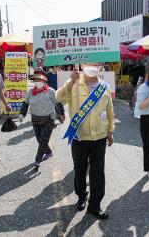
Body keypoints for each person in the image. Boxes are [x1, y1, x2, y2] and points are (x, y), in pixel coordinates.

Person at [56, 64, 114, 220]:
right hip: (79, 136)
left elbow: (110, 110)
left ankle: (95, 205)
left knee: (98, 172)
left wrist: (110, 131)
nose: (93, 67)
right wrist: (70, 83)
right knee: (80, 169)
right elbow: (59, 98)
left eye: (97, 64)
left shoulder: (104, 86)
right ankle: (82, 195)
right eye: (90, 64)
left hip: (99, 137)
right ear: (83, 66)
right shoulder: (74, 82)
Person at [19, 70, 64, 169]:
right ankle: (48, 152)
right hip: (35, 118)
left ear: (44, 81)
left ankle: (37, 160)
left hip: (49, 118)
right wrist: (22, 113)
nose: (37, 82)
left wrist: (61, 114)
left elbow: (58, 103)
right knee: (39, 139)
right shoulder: (31, 91)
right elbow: (25, 103)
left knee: (44, 139)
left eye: (39, 80)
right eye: (35, 80)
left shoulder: (51, 91)